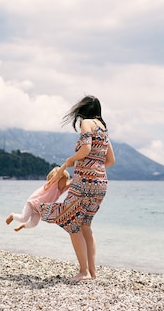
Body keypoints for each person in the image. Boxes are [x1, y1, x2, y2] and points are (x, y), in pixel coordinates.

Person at [40, 95, 115, 282]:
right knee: (86, 226)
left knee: (72, 223)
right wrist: (94, 171)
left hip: (84, 184)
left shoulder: (87, 123)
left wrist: (71, 161)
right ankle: (92, 273)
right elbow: (110, 161)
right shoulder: (104, 130)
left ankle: (84, 272)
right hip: (101, 184)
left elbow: (86, 149)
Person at [5, 167, 71, 232]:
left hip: (38, 210)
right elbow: (58, 175)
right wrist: (65, 165)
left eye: (66, 180)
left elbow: (70, 184)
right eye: (64, 180)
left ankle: (23, 226)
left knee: (33, 224)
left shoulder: (60, 190)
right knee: (23, 218)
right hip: (32, 204)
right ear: (58, 179)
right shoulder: (51, 185)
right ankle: (12, 216)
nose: (65, 183)